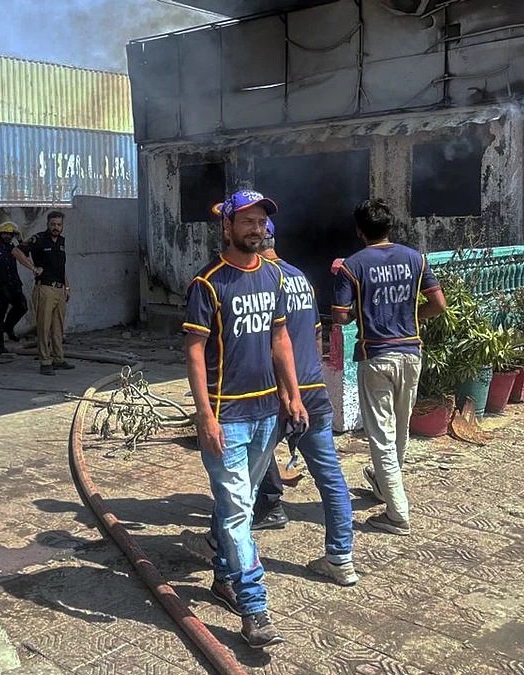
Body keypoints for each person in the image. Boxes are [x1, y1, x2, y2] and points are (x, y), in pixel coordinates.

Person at [189, 215, 360, 587]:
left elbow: (260, 345)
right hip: (309, 391)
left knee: (241, 481)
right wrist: (306, 384)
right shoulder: (302, 279)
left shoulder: (267, 280)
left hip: (273, 394)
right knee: (328, 475)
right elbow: (315, 336)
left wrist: (285, 391)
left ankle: (225, 546)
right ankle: (341, 557)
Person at [183, 189, 307, 649]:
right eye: (247, 222)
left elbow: (281, 341)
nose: (256, 229)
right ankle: (255, 607)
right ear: (227, 227)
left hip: (265, 414)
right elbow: (194, 351)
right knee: (238, 510)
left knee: (243, 501)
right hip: (227, 418)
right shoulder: (208, 283)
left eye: (261, 222)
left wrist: (292, 397)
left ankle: (223, 578)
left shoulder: (272, 276)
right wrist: (205, 416)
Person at [333, 198, 446, 537]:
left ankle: (397, 513)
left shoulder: (351, 267)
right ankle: (384, 488)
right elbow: (437, 305)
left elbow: (340, 316)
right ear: (390, 228)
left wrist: (362, 315)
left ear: (359, 231)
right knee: (399, 429)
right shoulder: (416, 258)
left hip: (375, 356)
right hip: (411, 353)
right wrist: (412, 319)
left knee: (381, 437)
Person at [18, 211, 72, 375]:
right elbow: (17, 251)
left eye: (59, 224)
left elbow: (61, 267)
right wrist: (33, 268)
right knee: (44, 326)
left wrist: (67, 287)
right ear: (48, 224)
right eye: (53, 224)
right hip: (45, 288)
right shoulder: (39, 239)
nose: (56, 227)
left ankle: (58, 358)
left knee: (58, 327)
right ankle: (45, 361)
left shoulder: (61, 241)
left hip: (59, 289)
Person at [0, 222, 35, 355]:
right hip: (0, 285)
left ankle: (8, 327)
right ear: (0, 235)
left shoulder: (14, 248)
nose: (8, 237)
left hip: (14, 284)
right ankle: (0, 345)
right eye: (5, 234)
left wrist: (20, 238)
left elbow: (25, 254)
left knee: (22, 307)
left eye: (10, 235)